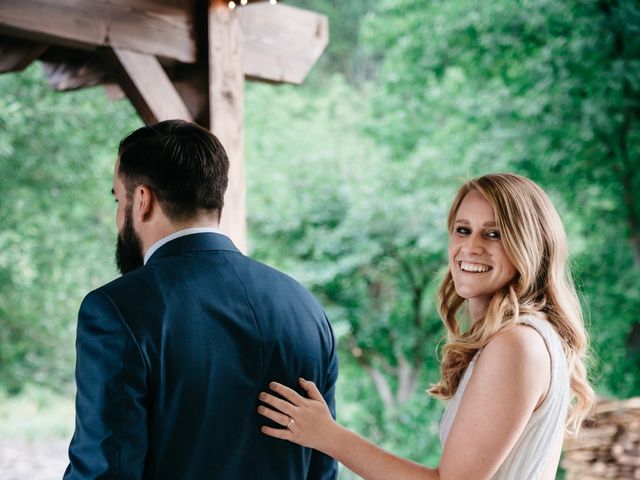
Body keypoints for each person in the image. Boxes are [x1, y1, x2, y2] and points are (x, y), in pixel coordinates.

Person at [257, 173, 595, 480]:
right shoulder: (520, 339)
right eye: (463, 230)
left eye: (494, 234)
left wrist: (328, 436)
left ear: (530, 246)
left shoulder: (518, 344)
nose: (471, 247)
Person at [63, 119, 339, 479]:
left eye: (119, 198)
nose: (119, 215)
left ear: (142, 200)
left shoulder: (117, 310)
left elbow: (104, 473)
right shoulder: (305, 307)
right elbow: (322, 469)